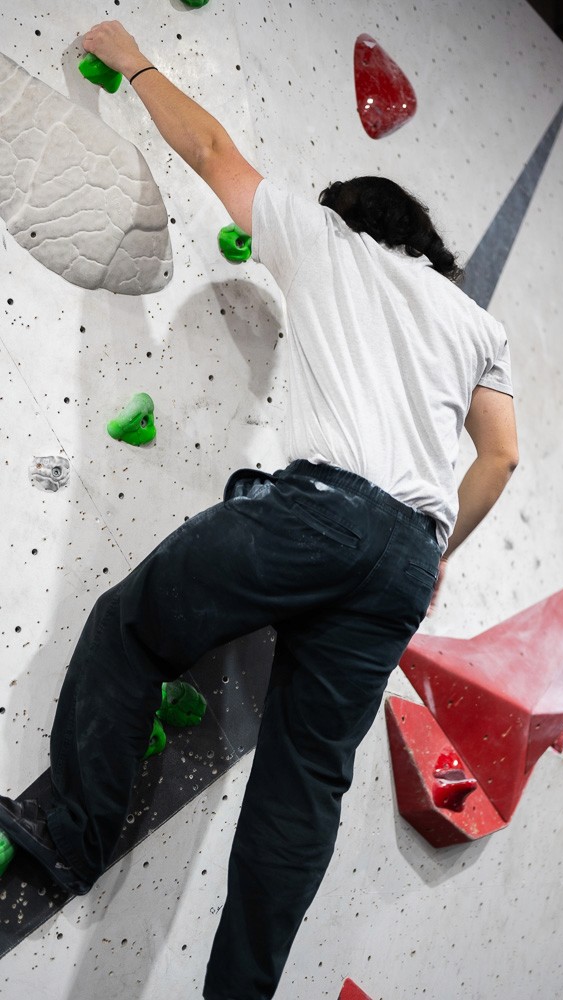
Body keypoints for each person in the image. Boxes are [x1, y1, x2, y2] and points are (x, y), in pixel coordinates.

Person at [0, 20, 519, 1000]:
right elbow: (501, 455)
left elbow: (207, 152)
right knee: (305, 782)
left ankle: (68, 833)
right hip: (407, 553)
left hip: (317, 512)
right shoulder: (475, 320)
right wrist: (438, 546)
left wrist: (133, 59)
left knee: (132, 626)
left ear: (352, 215)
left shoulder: (330, 236)